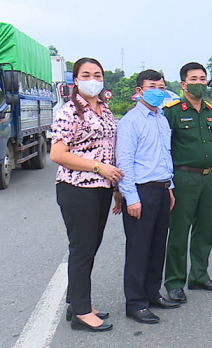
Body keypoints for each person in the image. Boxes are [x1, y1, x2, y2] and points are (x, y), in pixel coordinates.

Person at [50, 57, 122, 332]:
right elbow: (58, 154)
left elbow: (110, 149)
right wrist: (98, 166)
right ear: (76, 81)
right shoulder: (69, 112)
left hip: (102, 188)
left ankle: (77, 301)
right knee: (81, 249)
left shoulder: (105, 110)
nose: (94, 79)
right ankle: (81, 313)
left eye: (98, 74)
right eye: (87, 74)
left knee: (90, 247)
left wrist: (115, 187)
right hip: (77, 187)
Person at [117, 70, 180, 324]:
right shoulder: (131, 121)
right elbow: (124, 161)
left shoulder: (162, 119)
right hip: (141, 191)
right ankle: (135, 302)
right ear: (140, 90)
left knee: (157, 246)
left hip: (162, 189)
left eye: (162, 86)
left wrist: (171, 187)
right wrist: (131, 197)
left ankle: (153, 293)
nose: (158, 90)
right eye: (153, 86)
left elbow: (165, 155)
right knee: (139, 248)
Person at [163, 62, 212, 303]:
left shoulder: (211, 112)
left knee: (204, 230)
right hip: (183, 177)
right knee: (179, 231)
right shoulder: (173, 111)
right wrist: (168, 184)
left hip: (208, 177)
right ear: (183, 84)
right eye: (194, 79)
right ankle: (174, 282)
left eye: (202, 79)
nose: (199, 83)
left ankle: (199, 275)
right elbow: (163, 148)